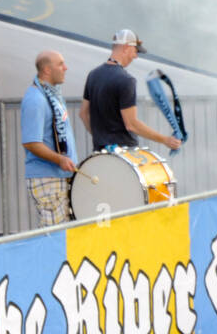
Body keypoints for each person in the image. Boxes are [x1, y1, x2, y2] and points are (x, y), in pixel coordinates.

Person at [80, 29, 182, 154]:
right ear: (127, 48)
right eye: (135, 51)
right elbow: (131, 124)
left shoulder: (93, 75)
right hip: (125, 153)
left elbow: (83, 114)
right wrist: (165, 140)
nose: (135, 56)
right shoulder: (126, 80)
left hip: (100, 153)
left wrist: (101, 138)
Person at [21, 50, 78, 227]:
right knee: (55, 236)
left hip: (58, 176)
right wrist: (59, 158)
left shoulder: (51, 94)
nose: (66, 68)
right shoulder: (36, 99)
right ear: (47, 70)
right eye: (61, 64)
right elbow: (31, 142)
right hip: (47, 178)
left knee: (63, 233)